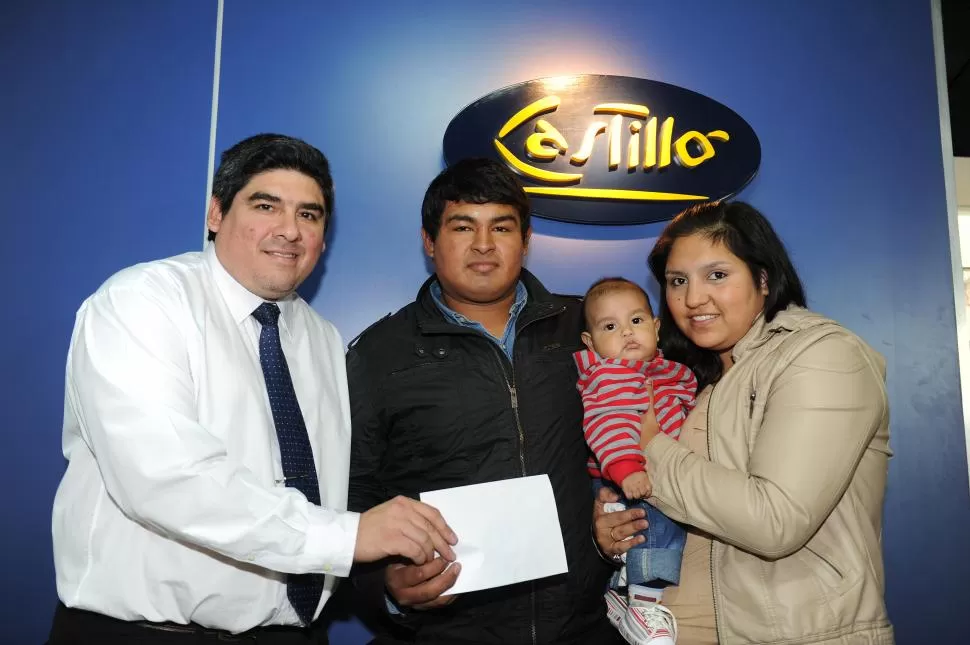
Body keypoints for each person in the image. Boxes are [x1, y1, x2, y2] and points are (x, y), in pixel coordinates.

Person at [48, 134, 456, 645]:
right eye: (266, 206)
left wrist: (384, 575)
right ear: (216, 213)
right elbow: (167, 479)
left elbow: (325, 495)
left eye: (309, 215)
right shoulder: (142, 302)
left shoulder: (322, 338)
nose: (289, 230)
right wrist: (348, 537)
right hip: (147, 634)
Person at [592, 201, 894, 645]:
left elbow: (774, 520)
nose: (693, 299)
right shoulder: (697, 379)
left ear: (763, 277)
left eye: (717, 275)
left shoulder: (823, 355)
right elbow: (697, 513)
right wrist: (621, 529)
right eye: (678, 281)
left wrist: (649, 450)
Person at [347, 158, 620, 644]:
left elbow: (657, 420)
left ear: (526, 239)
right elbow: (349, 500)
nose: (484, 245)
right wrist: (384, 588)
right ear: (429, 242)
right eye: (462, 226)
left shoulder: (589, 329)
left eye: (502, 226)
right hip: (445, 634)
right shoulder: (378, 354)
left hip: (584, 626)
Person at [575, 277, 697, 645]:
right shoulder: (610, 375)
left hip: (652, 468)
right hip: (625, 474)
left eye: (637, 321)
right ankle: (645, 604)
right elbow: (606, 423)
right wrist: (627, 469)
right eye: (610, 327)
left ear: (656, 327)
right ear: (590, 342)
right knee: (658, 523)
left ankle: (619, 593)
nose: (627, 332)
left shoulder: (669, 372)